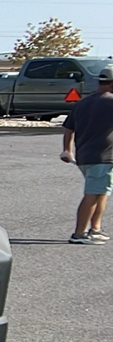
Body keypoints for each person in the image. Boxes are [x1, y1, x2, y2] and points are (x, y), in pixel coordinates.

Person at [62, 66, 113, 244]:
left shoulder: (82, 103)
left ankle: (95, 229)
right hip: (103, 157)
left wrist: (67, 150)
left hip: (84, 156)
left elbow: (69, 129)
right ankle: (79, 233)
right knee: (93, 193)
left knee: (101, 193)